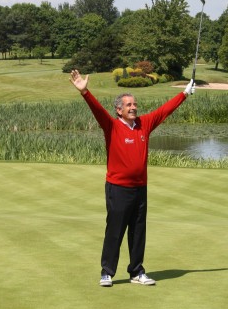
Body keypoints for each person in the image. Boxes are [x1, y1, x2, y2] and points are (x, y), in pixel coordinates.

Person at [69, 69, 195, 287]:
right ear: (119, 110)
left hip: (140, 188)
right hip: (118, 188)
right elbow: (97, 110)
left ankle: (136, 271)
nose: (133, 107)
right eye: (128, 105)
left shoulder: (144, 124)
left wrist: (184, 93)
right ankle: (107, 272)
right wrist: (85, 92)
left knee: (138, 231)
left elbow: (165, 111)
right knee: (115, 230)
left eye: (134, 104)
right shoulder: (112, 126)